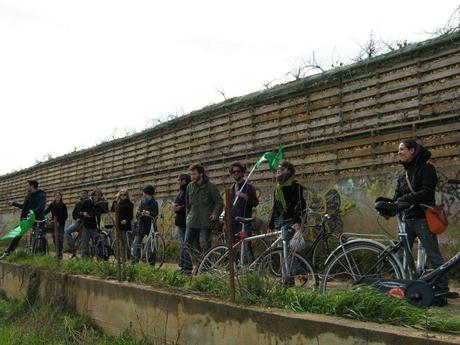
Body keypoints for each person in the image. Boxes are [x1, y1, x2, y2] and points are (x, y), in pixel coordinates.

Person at [392, 139, 449, 305]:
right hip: (406, 219)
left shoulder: (427, 169)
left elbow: (426, 192)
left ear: (412, 150)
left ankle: (442, 291)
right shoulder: (403, 175)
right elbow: (397, 197)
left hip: (423, 218)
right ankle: (404, 287)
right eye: (398, 150)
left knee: (433, 255)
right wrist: (387, 203)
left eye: (402, 149)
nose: (399, 153)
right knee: (402, 254)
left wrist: (405, 199)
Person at [182, 164, 224, 273]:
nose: (192, 176)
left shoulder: (211, 186)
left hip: (206, 222)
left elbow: (219, 202)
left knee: (206, 245)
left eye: (194, 174)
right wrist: (187, 217)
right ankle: (201, 264)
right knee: (187, 244)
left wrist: (215, 213)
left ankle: (204, 268)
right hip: (192, 221)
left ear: (201, 174)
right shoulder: (189, 187)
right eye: (191, 174)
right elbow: (188, 205)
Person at [0, 180, 47, 260]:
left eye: (27, 185)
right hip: (28, 219)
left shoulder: (41, 195)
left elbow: (41, 207)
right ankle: (8, 252)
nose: (26, 187)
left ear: (32, 186)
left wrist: (32, 212)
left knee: (41, 236)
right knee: (18, 234)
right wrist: (14, 204)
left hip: (38, 219)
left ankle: (42, 254)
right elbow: (24, 207)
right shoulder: (28, 196)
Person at [228, 162, 259, 263]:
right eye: (234, 172)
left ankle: (251, 267)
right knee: (233, 247)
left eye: (238, 171)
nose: (236, 173)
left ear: (242, 173)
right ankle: (235, 268)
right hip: (233, 221)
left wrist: (245, 197)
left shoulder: (248, 187)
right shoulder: (231, 189)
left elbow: (255, 202)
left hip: (244, 222)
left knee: (246, 246)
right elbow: (228, 206)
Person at [269, 160, 306, 232]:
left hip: (292, 221)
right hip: (278, 222)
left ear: (290, 172)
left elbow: (300, 204)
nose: (279, 171)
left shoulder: (295, 186)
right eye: (278, 170)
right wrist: (271, 226)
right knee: (279, 243)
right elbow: (275, 207)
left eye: (282, 169)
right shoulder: (278, 188)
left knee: (291, 243)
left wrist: (297, 222)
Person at [172, 173, 195, 271]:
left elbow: (191, 205)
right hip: (180, 222)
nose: (179, 182)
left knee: (186, 245)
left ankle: (187, 266)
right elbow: (177, 203)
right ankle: (182, 265)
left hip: (187, 222)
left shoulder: (189, 191)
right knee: (182, 245)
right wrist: (175, 207)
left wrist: (180, 208)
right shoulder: (181, 192)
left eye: (180, 180)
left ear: (184, 181)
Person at [132, 185, 158, 263]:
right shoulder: (142, 202)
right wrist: (138, 213)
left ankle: (151, 261)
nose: (143, 194)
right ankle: (134, 260)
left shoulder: (154, 203)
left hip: (151, 224)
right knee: (137, 242)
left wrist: (149, 213)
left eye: (144, 192)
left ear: (147, 193)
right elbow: (138, 216)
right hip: (142, 224)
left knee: (152, 243)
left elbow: (156, 214)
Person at [79, 189, 104, 258]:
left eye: (99, 195)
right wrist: (84, 214)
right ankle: (85, 260)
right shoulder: (87, 202)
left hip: (95, 227)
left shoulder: (100, 203)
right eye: (96, 195)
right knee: (85, 244)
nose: (97, 196)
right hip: (86, 226)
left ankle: (101, 258)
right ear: (93, 195)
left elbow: (104, 212)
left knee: (99, 243)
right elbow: (79, 212)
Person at [111, 189, 134, 262]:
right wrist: (116, 199)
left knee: (126, 243)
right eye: (121, 194)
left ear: (127, 195)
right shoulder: (118, 203)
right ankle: (122, 259)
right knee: (119, 243)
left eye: (125, 194)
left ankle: (127, 259)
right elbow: (112, 210)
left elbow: (130, 216)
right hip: (118, 226)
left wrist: (126, 220)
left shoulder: (130, 204)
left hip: (126, 226)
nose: (123, 196)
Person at [64, 190, 88, 256]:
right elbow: (74, 213)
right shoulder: (78, 203)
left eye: (85, 193)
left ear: (87, 195)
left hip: (87, 223)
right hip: (78, 222)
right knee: (67, 231)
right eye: (82, 193)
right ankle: (72, 247)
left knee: (83, 238)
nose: (83, 194)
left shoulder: (89, 202)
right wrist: (76, 218)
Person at [44, 191, 68, 260]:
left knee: (60, 239)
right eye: (56, 195)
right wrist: (40, 215)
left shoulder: (63, 205)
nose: (57, 197)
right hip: (53, 224)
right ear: (54, 197)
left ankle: (60, 254)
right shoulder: (52, 204)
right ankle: (57, 253)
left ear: (61, 197)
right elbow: (46, 211)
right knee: (55, 239)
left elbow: (65, 216)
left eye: (58, 195)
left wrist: (59, 222)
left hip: (61, 224)